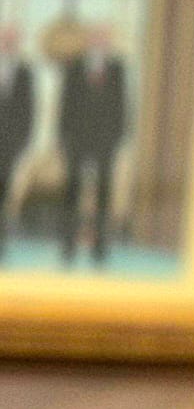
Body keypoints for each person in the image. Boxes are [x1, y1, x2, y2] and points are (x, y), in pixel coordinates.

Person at [57, 23, 128, 267]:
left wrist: (119, 136)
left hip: (105, 141)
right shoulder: (74, 66)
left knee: (103, 194)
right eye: (95, 37)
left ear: (108, 41)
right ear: (88, 40)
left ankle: (100, 249)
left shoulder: (117, 68)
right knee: (72, 192)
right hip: (77, 139)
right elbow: (65, 103)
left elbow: (122, 104)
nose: (99, 40)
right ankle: (68, 247)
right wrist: (63, 137)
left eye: (103, 37)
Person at [0, 25, 33, 259]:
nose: (8, 44)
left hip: (8, 146)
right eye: (4, 39)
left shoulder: (24, 73)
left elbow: (28, 111)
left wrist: (20, 143)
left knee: (3, 193)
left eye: (12, 40)